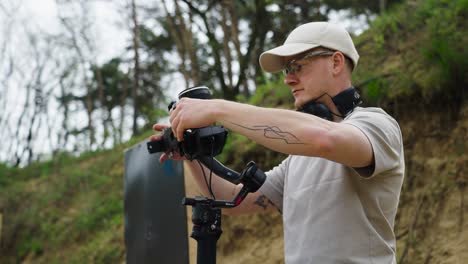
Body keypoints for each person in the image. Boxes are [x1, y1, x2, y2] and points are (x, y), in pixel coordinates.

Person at [151, 21, 404, 263]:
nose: (288, 79)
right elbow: (233, 198)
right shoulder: (299, 158)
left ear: (336, 62)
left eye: (297, 66)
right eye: (287, 70)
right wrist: (191, 151)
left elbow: (325, 139)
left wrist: (217, 110)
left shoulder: (377, 125)